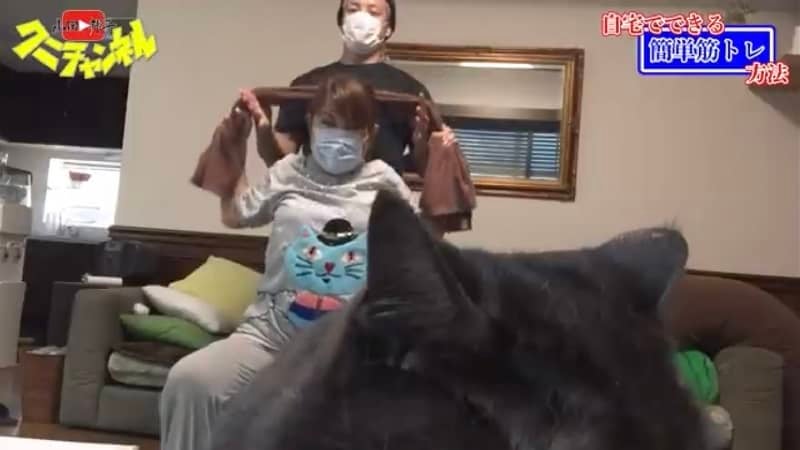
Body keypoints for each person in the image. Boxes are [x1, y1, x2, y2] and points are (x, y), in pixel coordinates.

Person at [160, 75, 416, 450]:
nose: (339, 136)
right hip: (269, 338)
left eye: (351, 127)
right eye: (329, 123)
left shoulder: (384, 181)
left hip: (350, 347)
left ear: (369, 134)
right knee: (191, 380)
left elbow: (421, 243)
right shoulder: (288, 172)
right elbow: (236, 214)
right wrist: (235, 145)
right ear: (311, 124)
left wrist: (438, 154)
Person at [256, 0, 457, 176]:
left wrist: (422, 144)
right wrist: (263, 130)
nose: (361, 17)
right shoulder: (308, 84)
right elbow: (277, 161)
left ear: (388, 29)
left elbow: (427, 170)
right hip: (317, 199)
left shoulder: (410, 90)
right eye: (353, 9)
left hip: (381, 201)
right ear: (342, 22)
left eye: (373, 12)